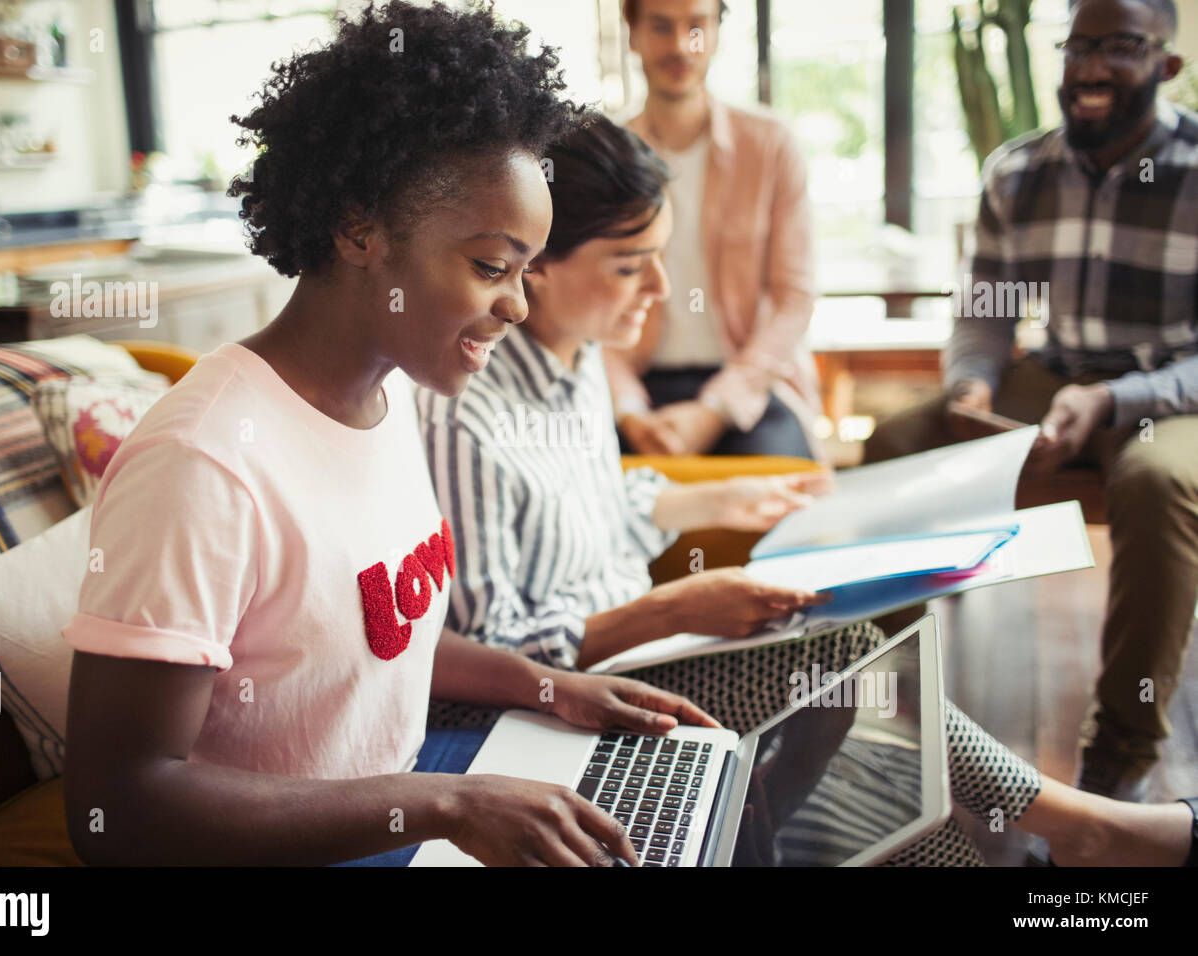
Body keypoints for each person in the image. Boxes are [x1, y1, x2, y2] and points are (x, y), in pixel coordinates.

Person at [418, 112, 1198, 866]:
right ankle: (1088, 830)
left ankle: (1070, 840)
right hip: (567, 694)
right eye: (630, 266)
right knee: (844, 670)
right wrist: (678, 608)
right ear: (541, 264)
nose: (658, 286)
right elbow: (490, 655)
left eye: (660, 256)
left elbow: (595, 506)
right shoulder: (470, 417)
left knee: (885, 770)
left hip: (637, 654)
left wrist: (722, 503)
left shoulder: (576, 358)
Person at [58, 1, 724, 869]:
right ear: (358, 228)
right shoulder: (203, 464)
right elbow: (120, 808)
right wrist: (444, 804)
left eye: (526, 270)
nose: (519, 306)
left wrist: (551, 689)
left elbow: (381, 639)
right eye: (492, 267)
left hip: (400, 805)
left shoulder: (391, 396)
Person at [863, 0, 1197, 802]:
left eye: (1118, 47)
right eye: (1077, 45)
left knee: (1158, 481)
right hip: (1049, 375)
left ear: (1167, 65)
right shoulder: (1017, 172)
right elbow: (984, 316)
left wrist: (1114, 399)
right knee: (888, 448)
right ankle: (879, 720)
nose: (1088, 67)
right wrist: (972, 384)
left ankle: (1117, 761)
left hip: (1170, 391)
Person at [604, 0, 823, 459]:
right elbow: (580, 301)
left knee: (781, 494)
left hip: (748, 381)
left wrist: (715, 409)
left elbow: (794, 299)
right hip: (630, 384)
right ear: (634, 32)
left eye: (697, 27)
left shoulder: (770, 145)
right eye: (661, 27)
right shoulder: (604, 155)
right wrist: (628, 410)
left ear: (718, 31)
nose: (681, 46)